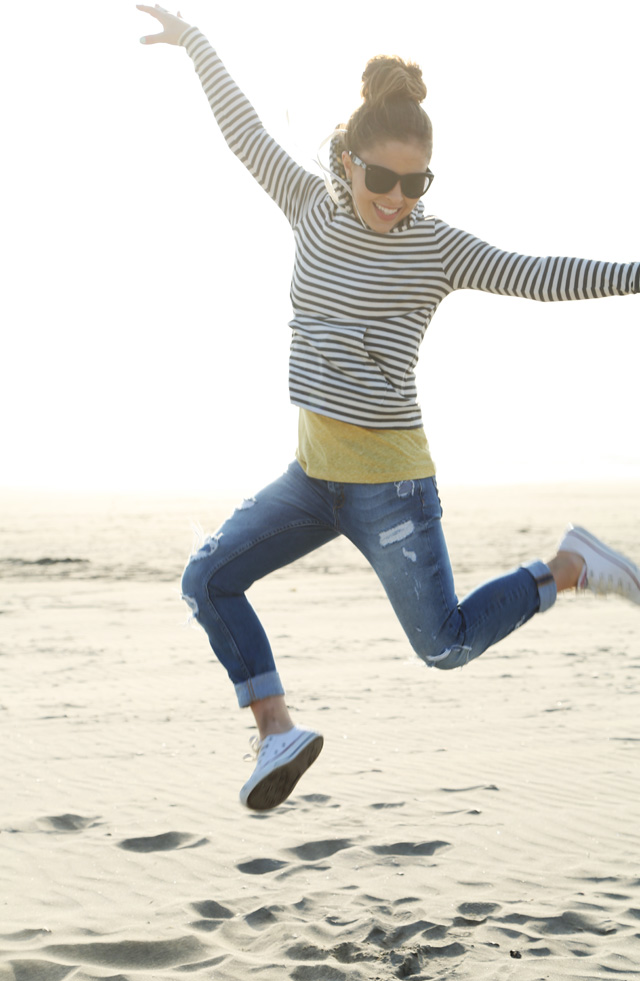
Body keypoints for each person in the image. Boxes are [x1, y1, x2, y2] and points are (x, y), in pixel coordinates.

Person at [137, 5, 640, 812]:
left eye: (415, 184)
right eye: (381, 179)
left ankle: (568, 566)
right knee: (206, 581)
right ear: (347, 160)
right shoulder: (308, 205)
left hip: (391, 490)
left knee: (443, 648)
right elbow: (242, 130)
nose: (396, 198)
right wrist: (196, 41)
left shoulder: (436, 249)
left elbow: (540, 273)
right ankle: (275, 731)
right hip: (310, 477)